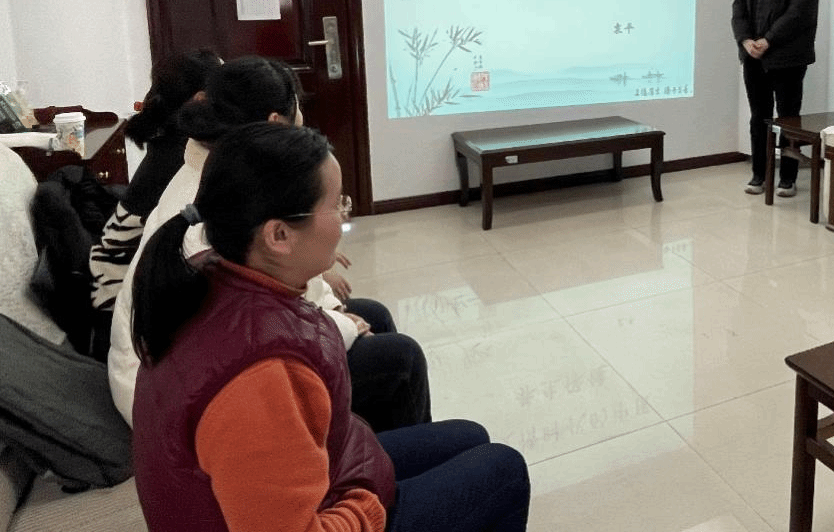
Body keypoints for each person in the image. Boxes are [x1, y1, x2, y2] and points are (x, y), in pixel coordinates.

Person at [131, 122, 530, 532]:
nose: (344, 216)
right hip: (318, 507)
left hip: (324, 475)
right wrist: (367, 502)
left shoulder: (216, 272)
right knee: (504, 468)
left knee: (469, 436)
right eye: (336, 204)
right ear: (279, 235)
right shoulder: (260, 380)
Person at [108, 56, 431, 433]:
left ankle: (374, 439)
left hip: (217, 354)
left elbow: (271, 294)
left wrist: (333, 311)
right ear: (276, 123)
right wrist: (340, 325)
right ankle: (384, 453)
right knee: (402, 358)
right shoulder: (221, 206)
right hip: (189, 403)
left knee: (374, 317)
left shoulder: (227, 171)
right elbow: (255, 323)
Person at [89, 49, 223, 344]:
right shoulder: (185, 153)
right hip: (121, 305)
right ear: (202, 98)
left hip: (125, 286)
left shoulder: (173, 140)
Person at [731, 0, 819, 196]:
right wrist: (746, 40)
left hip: (788, 57)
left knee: (788, 117)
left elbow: (799, 13)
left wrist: (768, 41)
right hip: (753, 56)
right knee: (759, 116)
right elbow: (739, 6)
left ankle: (788, 178)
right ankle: (759, 174)